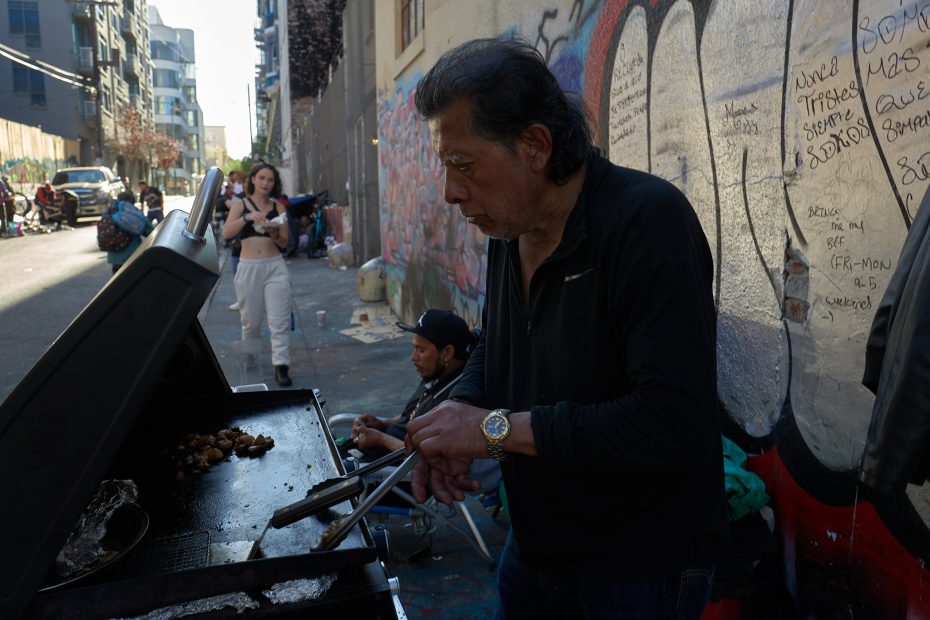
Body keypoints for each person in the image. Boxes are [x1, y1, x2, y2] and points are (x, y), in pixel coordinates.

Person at [404, 37, 729, 619]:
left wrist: (493, 431)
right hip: (534, 548)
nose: (452, 193)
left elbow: (671, 419)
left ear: (534, 146)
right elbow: (497, 351)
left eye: (463, 166)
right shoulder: (509, 230)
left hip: (636, 566)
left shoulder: (648, 222)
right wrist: (460, 416)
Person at [221, 162, 292, 386]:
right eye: (261, 178)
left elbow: (284, 242)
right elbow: (226, 233)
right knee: (250, 322)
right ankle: (251, 363)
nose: (265, 183)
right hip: (248, 267)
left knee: (278, 320)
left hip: (275, 266)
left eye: (270, 180)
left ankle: (281, 365)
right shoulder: (241, 204)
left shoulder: (279, 208)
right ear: (252, 179)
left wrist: (272, 230)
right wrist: (247, 218)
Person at [107, 189, 152, 274]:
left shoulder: (110, 210)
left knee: (118, 283)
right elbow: (149, 230)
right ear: (131, 199)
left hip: (114, 257)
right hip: (132, 256)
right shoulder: (132, 210)